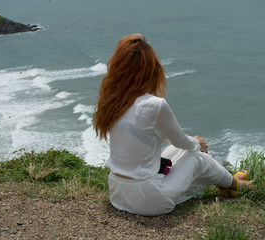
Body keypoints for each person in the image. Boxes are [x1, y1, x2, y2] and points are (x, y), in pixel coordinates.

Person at [93, 33, 252, 216]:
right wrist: (196, 143)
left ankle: (226, 182)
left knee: (186, 148)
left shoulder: (109, 103)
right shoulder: (153, 105)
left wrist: (191, 143)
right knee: (197, 157)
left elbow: (176, 143)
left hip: (118, 194)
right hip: (149, 200)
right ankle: (234, 184)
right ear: (150, 70)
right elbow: (180, 142)